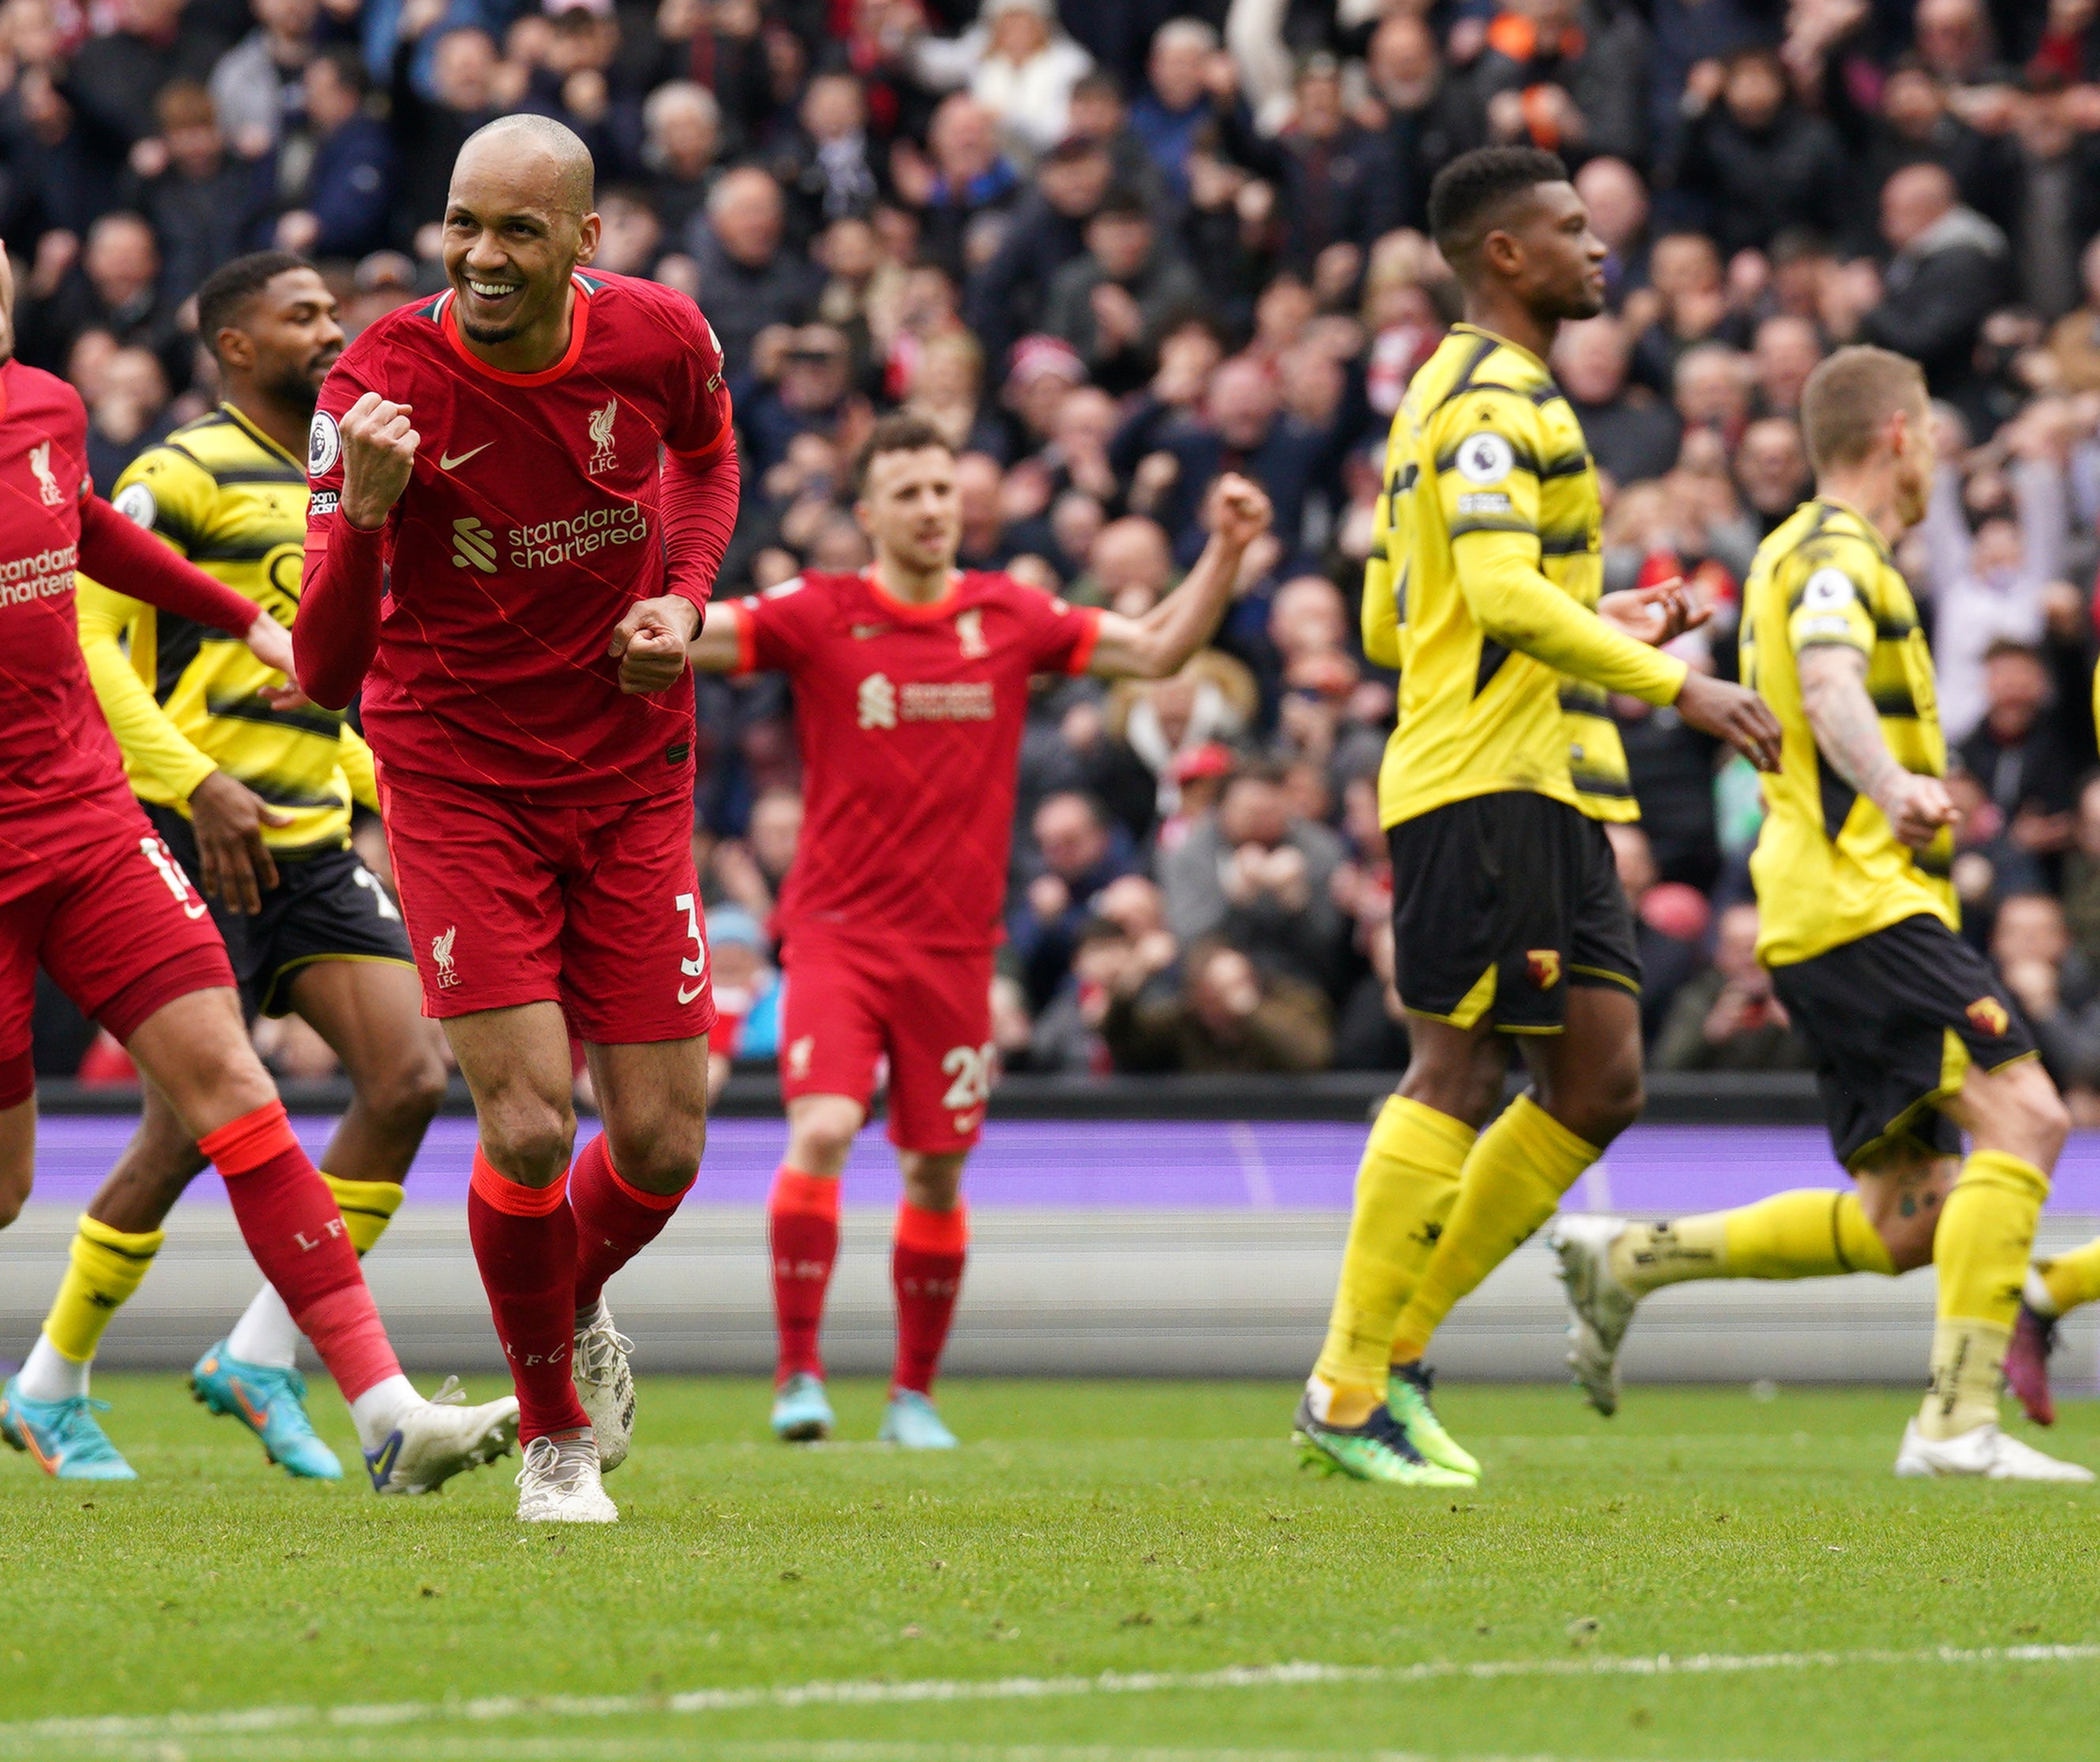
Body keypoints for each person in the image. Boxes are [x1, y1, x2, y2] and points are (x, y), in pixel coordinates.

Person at [0, 153, 515, 1496]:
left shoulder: (52, 410)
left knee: (234, 1086)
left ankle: (385, 1408)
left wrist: (242, 615)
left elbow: (86, 531)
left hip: (89, 825)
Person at [1296, 147, 1782, 1488]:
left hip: (1541, 779)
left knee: (1599, 1077)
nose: (1597, 246)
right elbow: (1493, 602)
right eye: (1570, 228)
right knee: (1453, 1070)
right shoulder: (1497, 399)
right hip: (1480, 779)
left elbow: (1397, 614)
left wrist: (1605, 619)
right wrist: (1674, 679)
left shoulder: (1441, 398)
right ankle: (1353, 1382)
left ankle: (1384, 1350)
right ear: (1502, 254)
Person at [292, 114, 746, 1526]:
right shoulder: (377, 383)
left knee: (666, 1140)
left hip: (627, 769)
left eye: (518, 231)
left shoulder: (661, 335)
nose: (483, 256)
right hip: (458, 775)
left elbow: (707, 459)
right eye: (462, 225)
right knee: (535, 1124)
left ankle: (567, 1298)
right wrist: (365, 519)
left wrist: (683, 590)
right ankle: (553, 1431)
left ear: (585, 242)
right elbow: (320, 670)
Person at [1551, 348, 2086, 1481]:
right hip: (1861, 899)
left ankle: (1631, 1257)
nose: (1939, 452)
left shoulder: (1793, 547)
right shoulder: (1839, 552)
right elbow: (1832, 675)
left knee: (1909, 1220)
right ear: (1899, 432)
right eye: (1933, 431)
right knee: (2029, 1116)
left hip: (1816, 906)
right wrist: (1894, 786)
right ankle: (1954, 1422)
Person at [689, 411, 1270, 1448]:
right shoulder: (821, 612)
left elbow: (1158, 643)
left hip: (956, 946)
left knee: (936, 1170)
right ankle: (798, 1374)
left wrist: (1225, 548)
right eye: (906, 492)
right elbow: (690, 631)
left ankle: (913, 1393)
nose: (928, 508)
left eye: (941, 490)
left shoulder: (1011, 614)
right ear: (868, 513)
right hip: (835, 932)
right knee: (822, 1128)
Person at [9, 250, 445, 1482]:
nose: (330, 329)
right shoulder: (175, 475)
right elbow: (87, 647)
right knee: (189, 1125)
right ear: (235, 345)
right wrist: (196, 781)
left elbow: (332, 685)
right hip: (183, 830)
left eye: (333, 310)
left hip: (302, 831)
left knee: (409, 1076)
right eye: (300, 314)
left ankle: (262, 1353)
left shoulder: (347, 486)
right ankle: (52, 1380)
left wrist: (392, 794)